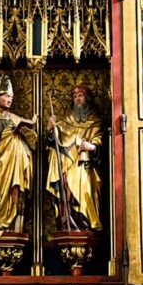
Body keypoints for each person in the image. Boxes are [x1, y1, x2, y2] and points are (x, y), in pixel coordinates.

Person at [0, 74, 36, 235]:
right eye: (6, 96)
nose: (9, 99)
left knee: (17, 189)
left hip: (15, 166)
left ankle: (13, 225)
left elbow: (33, 142)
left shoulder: (14, 118)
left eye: (11, 96)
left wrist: (31, 130)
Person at [46, 85, 103, 232]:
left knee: (85, 191)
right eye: (75, 96)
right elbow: (54, 142)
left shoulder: (95, 122)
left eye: (80, 96)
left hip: (84, 166)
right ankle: (67, 222)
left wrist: (92, 147)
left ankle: (84, 223)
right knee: (65, 189)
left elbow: (100, 141)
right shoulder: (65, 122)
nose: (77, 99)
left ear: (87, 99)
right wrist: (50, 128)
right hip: (67, 163)